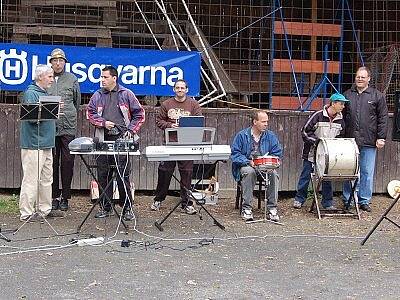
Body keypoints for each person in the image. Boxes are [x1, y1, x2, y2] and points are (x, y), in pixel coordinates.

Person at [87, 65, 145, 221]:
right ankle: (105, 208)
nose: (102, 80)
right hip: (102, 139)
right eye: (101, 77)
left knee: (122, 175)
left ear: (114, 78)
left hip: (122, 140)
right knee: (102, 175)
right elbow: (90, 113)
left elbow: (139, 115)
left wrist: (131, 131)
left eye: (105, 77)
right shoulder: (97, 95)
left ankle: (127, 209)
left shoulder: (127, 94)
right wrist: (103, 123)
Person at [150, 79, 202, 215]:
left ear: (187, 90)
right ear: (174, 90)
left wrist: (187, 126)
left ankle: (187, 203)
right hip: (170, 143)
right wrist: (170, 125)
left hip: (187, 144)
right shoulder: (166, 104)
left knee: (187, 174)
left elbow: (199, 121)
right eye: (177, 88)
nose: (180, 90)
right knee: (164, 172)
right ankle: (158, 199)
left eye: (182, 88)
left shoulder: (194, 104)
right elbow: (159, 121)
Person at [19, 65, 63, 221]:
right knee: (31, 179)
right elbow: (30, 118)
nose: (52, 79)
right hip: (33, 143)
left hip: (46, 143)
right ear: (40, 77)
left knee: (46, 179)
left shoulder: (44, 93)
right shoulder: (31, 93)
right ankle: (26, 212)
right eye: (49, 77)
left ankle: (44, 209)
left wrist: (54, 109)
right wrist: (48, 109)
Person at [342, 66, 388, 212]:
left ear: (369, 79)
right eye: (358, 76)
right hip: (350, 141)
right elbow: (341, 117)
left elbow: (383, 118)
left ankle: (364, 200)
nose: (360, 79)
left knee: (367, 171)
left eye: (363, 77)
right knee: (350, 170)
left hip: (369, 140)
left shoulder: (377, 96)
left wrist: (381, 137)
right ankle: (348, 199)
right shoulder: (347, 95)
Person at [293, 93, 348, 210]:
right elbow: (305, 131)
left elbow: (341, 136)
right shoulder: (317, 115)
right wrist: (317, 142)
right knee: (306, 175)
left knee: (327, 177)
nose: (343, 106)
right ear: (333, 103)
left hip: (329, 155)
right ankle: (299, 199)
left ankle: (327, 203)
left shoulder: (341, 119)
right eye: (341, 104)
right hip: (311, 153)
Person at [231, 110, 283, 221]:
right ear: (255, 121)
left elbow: (277, 153)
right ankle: (247, 209)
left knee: (273, 174)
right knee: (249, 172)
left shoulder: (270, 136)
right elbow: (235, 154)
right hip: (247, 165)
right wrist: (248, 161)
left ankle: (272, 209)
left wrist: (271, 164)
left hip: (265, 167)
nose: (266, 124)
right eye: (263, 121)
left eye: (267, 121)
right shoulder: (242, 135)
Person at [47, 48, 81, 212]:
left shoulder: (72, 79)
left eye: (61, 61)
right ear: (51, 63)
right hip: (50, 127)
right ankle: (53, 196)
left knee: (67, 162)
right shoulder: (46, 78)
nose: (58, 63)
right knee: (52, 162)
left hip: (68, 126)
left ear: (65, 63)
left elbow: (77, 102)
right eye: (55, 60)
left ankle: (65, 197)